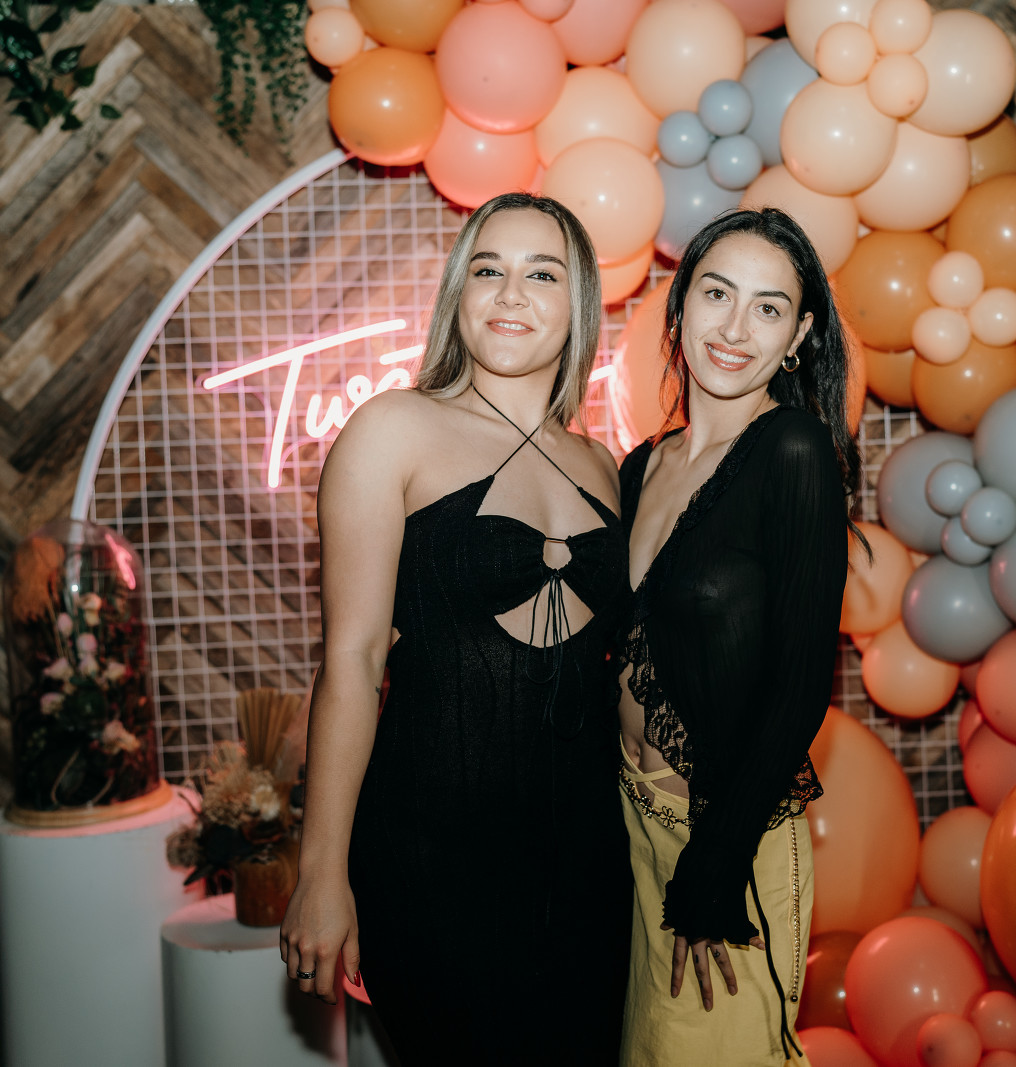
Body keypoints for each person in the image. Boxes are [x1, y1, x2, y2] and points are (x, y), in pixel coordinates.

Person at [280, 192, 632, 1065]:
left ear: (579, 305)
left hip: (590, 865)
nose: (510, 293)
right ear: (457, 294)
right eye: (488, 269)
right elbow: (352, 661)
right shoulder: (392, 429)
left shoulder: (606, 466)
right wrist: (321, 871)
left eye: (541, 274)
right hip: (430, 858)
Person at [617, 209, 861, 1066]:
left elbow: (800, 686)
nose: (734, 327)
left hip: (726, 832)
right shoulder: (641, 464)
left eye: (768, 308)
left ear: (797, 336)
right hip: (628, 822)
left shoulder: (793, 451)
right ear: (679, 307)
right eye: (717, 294)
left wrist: (716, 862)